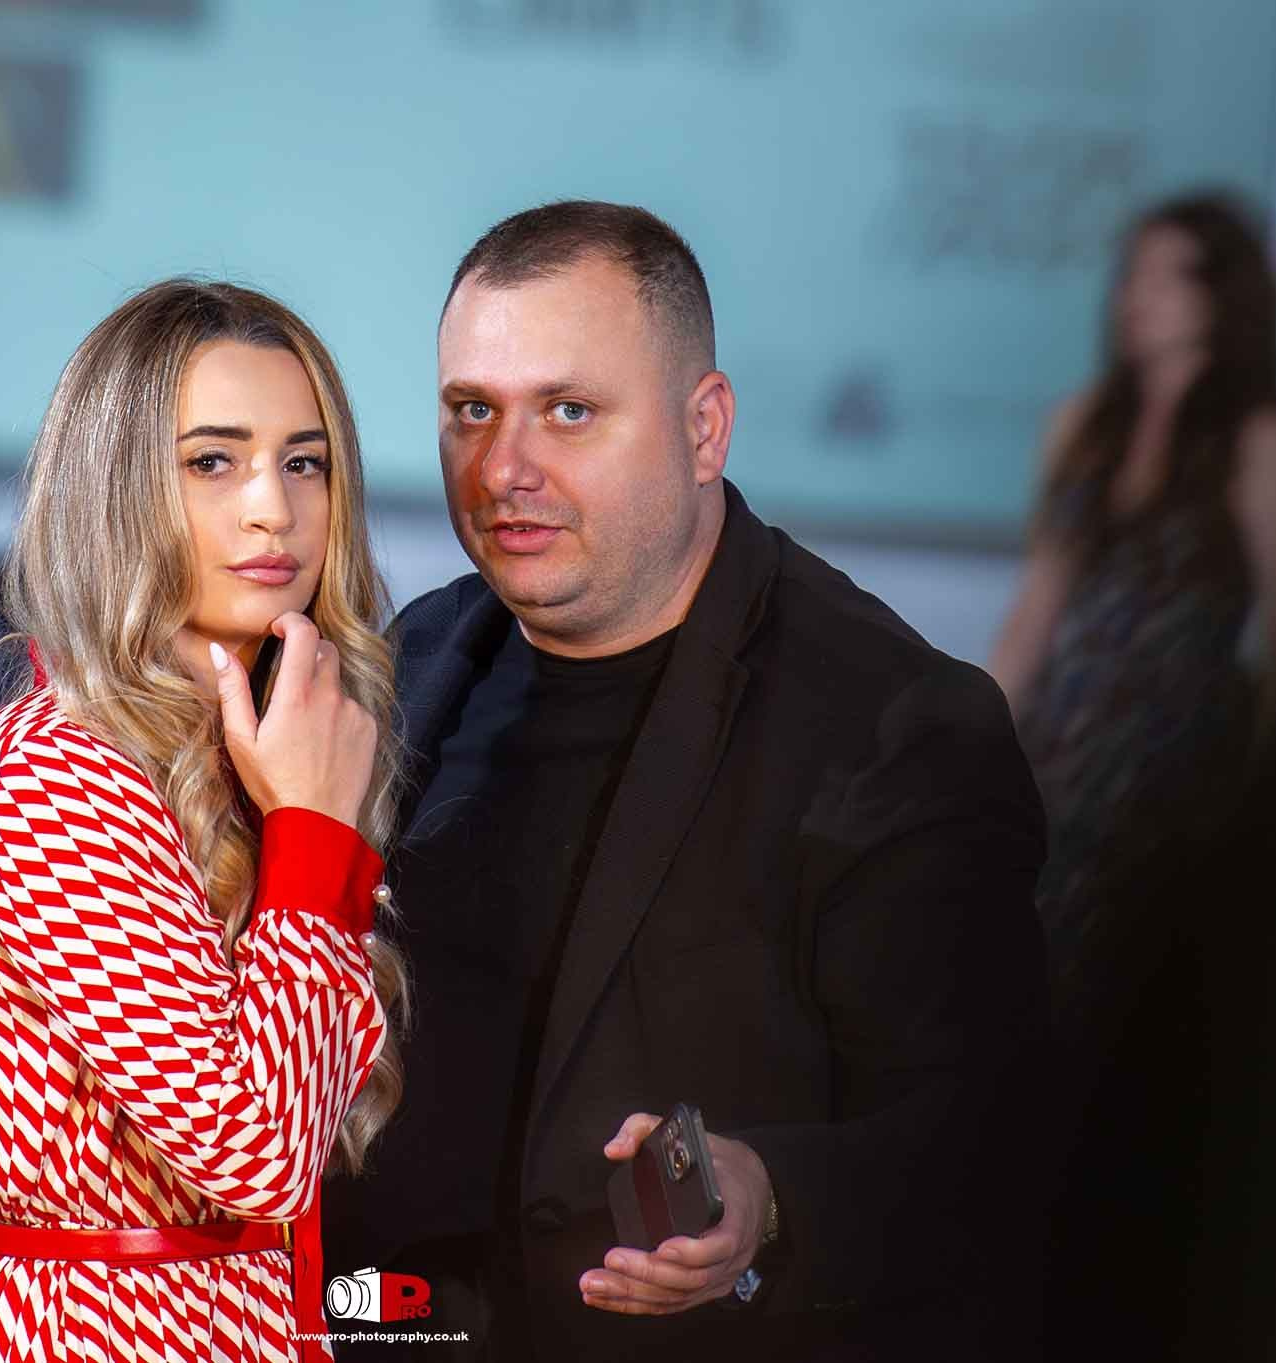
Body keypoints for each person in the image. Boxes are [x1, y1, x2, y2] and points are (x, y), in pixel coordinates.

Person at [321, 201, 1050, 1361]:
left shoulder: (892, 726)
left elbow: (998, 1146)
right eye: (472, 411)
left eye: (568, 412)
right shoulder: (409, 659)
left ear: (703, 429)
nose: (504, 468)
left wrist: (771, 1196)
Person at [0, 279, 411, 1363]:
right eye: (212, 462)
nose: (272, 507)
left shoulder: (249, 761)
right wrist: (313, 840)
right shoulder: (56, 772)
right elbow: (255, 1156)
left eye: (304, 461)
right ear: (114, 491)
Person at [987, 192, 1276, 1048]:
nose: (1137, 294)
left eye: (1165, 275)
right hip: (1065, 746)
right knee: (1019, 977)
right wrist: (976, 738)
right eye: (1131, 273)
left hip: (1173, 763)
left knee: (1130, 1006)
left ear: (1219, 294)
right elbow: (1039, 605)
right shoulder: (1085, 423)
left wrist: (1273, 799)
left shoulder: (1257, 437)